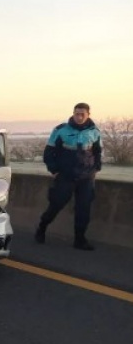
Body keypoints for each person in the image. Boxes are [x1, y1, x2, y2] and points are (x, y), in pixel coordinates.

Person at [35, 102, 102, 250]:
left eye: (82, 114)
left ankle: (80, 240)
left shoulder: (94, 131)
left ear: (88, 115)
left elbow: (98, 152)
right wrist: (54, 170)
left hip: (86, 178)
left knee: (83, 209)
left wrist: (95, 169)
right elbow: (49, 153)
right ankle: (41, 228)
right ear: (73, 113)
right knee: (56, 205)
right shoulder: (61, 130)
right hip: (65, 176)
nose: (79, 117)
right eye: (76, 113)